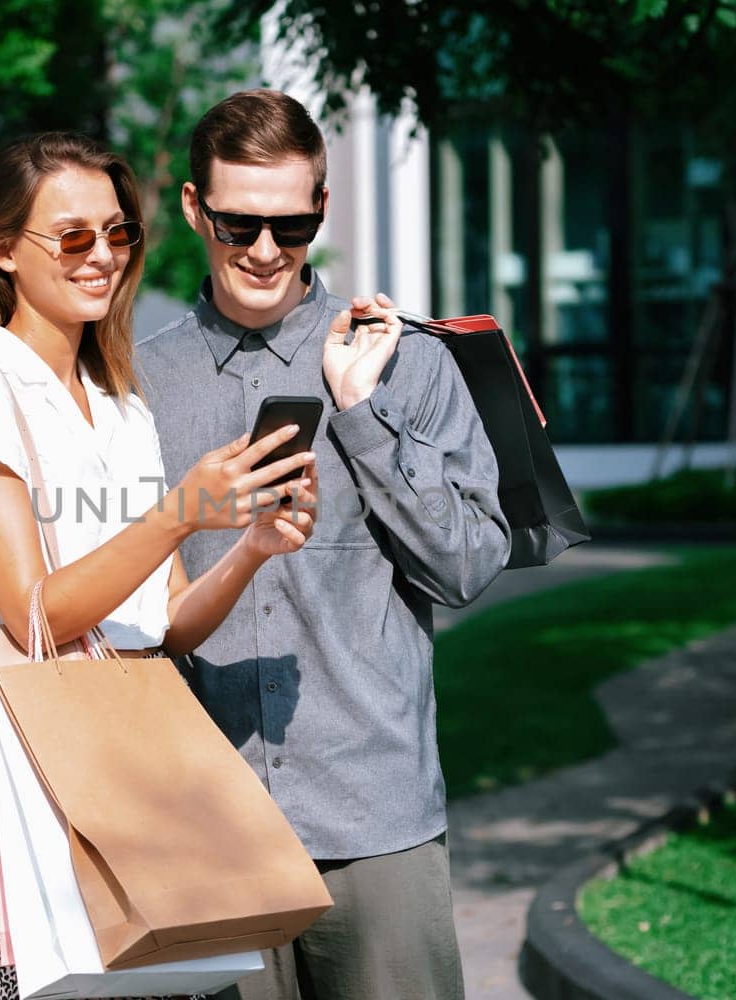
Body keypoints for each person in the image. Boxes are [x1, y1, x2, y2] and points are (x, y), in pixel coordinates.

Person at [0, 131, 319, 998]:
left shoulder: (121, 404)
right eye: (71, 238)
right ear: (1, 250)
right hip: (45, 759)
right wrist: (178, 515)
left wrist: (249, 546)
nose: (102, 256)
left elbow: (166, 623)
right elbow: (33, 616)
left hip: (141, 746)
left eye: (118, 233)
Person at [134, 90, 512, 999]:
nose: (265, 250)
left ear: (322, 209)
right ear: (195, 209)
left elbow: (467, 563)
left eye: (291, 225)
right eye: (238, 224)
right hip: (205, 833)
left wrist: (362, 413)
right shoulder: (136, 384)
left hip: (373, 818)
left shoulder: (408, 363)